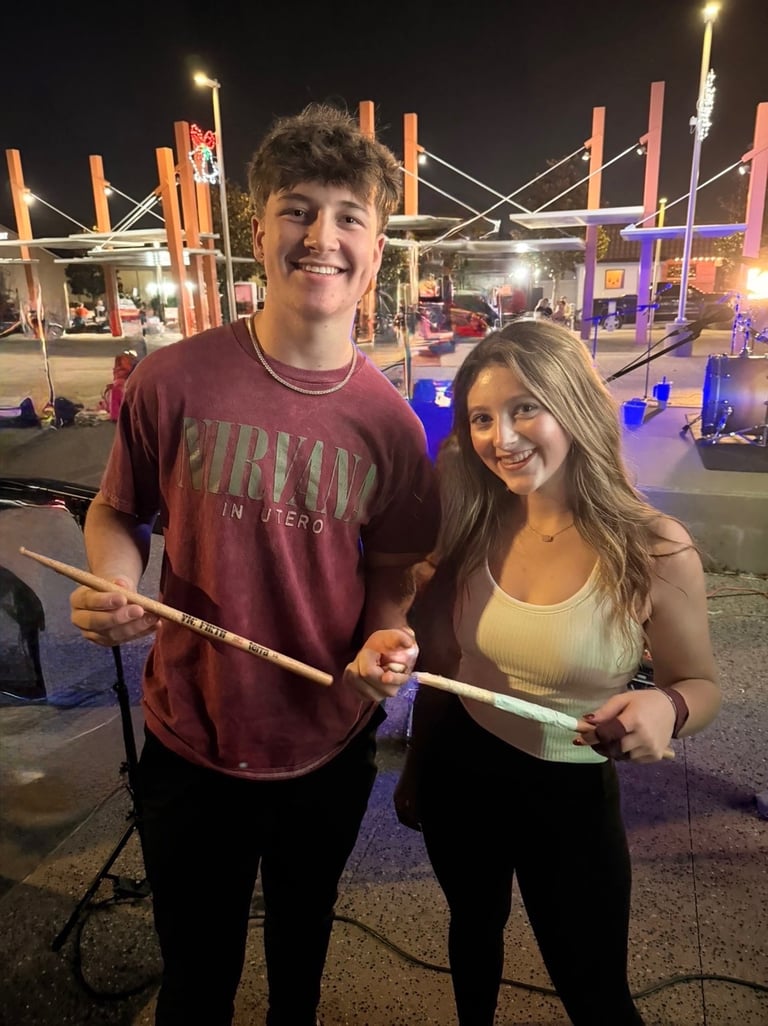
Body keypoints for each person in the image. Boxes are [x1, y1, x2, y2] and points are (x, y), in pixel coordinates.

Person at [69, 103, 439, 1026]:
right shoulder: (171, 380)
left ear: (378, 250)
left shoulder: (393, 426)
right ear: (260, 231)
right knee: (195, 980)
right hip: (189, 739)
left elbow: (392, 575)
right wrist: (114, 579)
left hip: (327, 744)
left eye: (349, 216)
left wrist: (385, 640)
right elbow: (117, 510)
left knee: (299, 970)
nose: (321, 237)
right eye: (297, 210)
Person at [394, 320, 721, 1026]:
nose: (502, 438)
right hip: (461, 771)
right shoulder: (474, 522)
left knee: (595, 991)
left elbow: (700, 684)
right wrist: (416, 766)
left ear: (573, 404)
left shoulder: (653, 547)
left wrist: (666, 709)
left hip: (571, 793)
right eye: (482, 418)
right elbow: (444, 664)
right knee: (472, 934)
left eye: (525, 409)